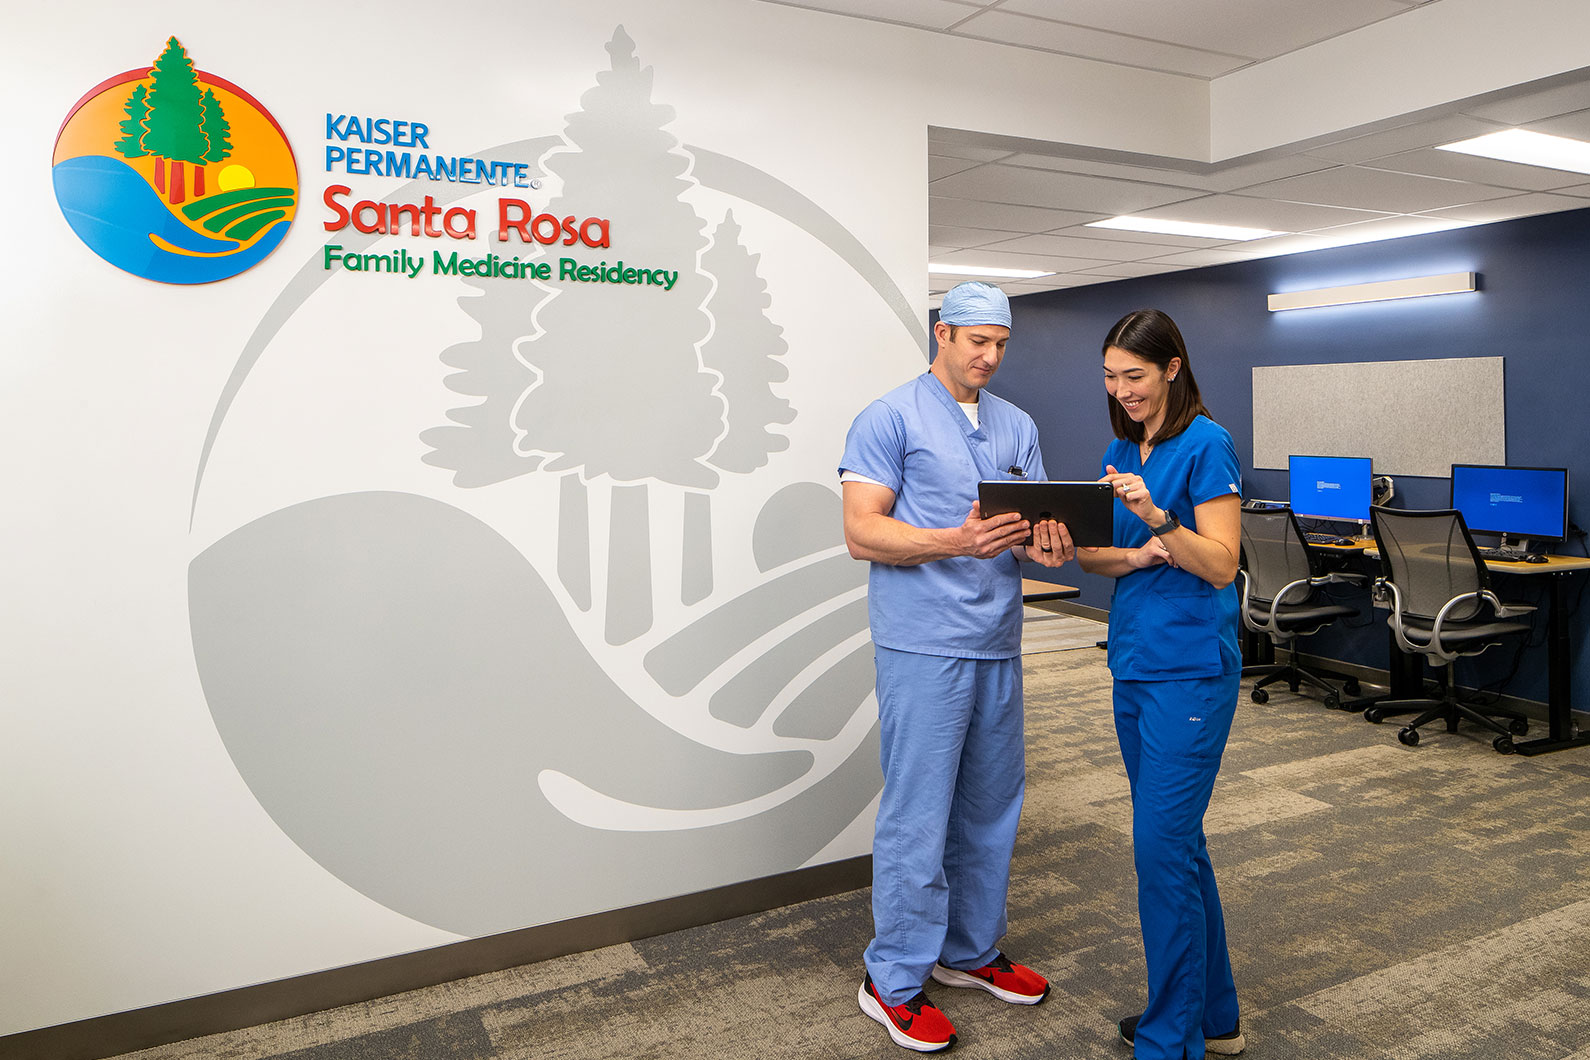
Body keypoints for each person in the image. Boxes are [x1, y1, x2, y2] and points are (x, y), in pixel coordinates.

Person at [839, 281, 1073, 1053]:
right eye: (977, 341)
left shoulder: (1017, 424)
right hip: (923, 643)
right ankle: (895, 977)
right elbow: (863, 533)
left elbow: (1032, 524)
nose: (990, 357)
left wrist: (1050, 542)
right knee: (919, 810)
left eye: (1001, 344)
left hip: (997, 638)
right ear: (942, 333)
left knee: (991, 805)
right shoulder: (889, 417)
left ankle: (969, 952)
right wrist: (953, 540)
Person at [1076, 308, 1247, 1059]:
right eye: (1112, 377)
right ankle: (1215, 1017)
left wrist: (1158, 519)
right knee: (1178, 847)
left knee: (1158, 851)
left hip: (1190, 674)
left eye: (1135, 377)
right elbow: (1100, 560)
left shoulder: (1208, 444)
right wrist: (1121, 549)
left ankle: (1169, 1040)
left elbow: (1220, 564)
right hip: (1135, 665)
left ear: (1172, 367)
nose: (1123, 390)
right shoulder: (1123, 443)